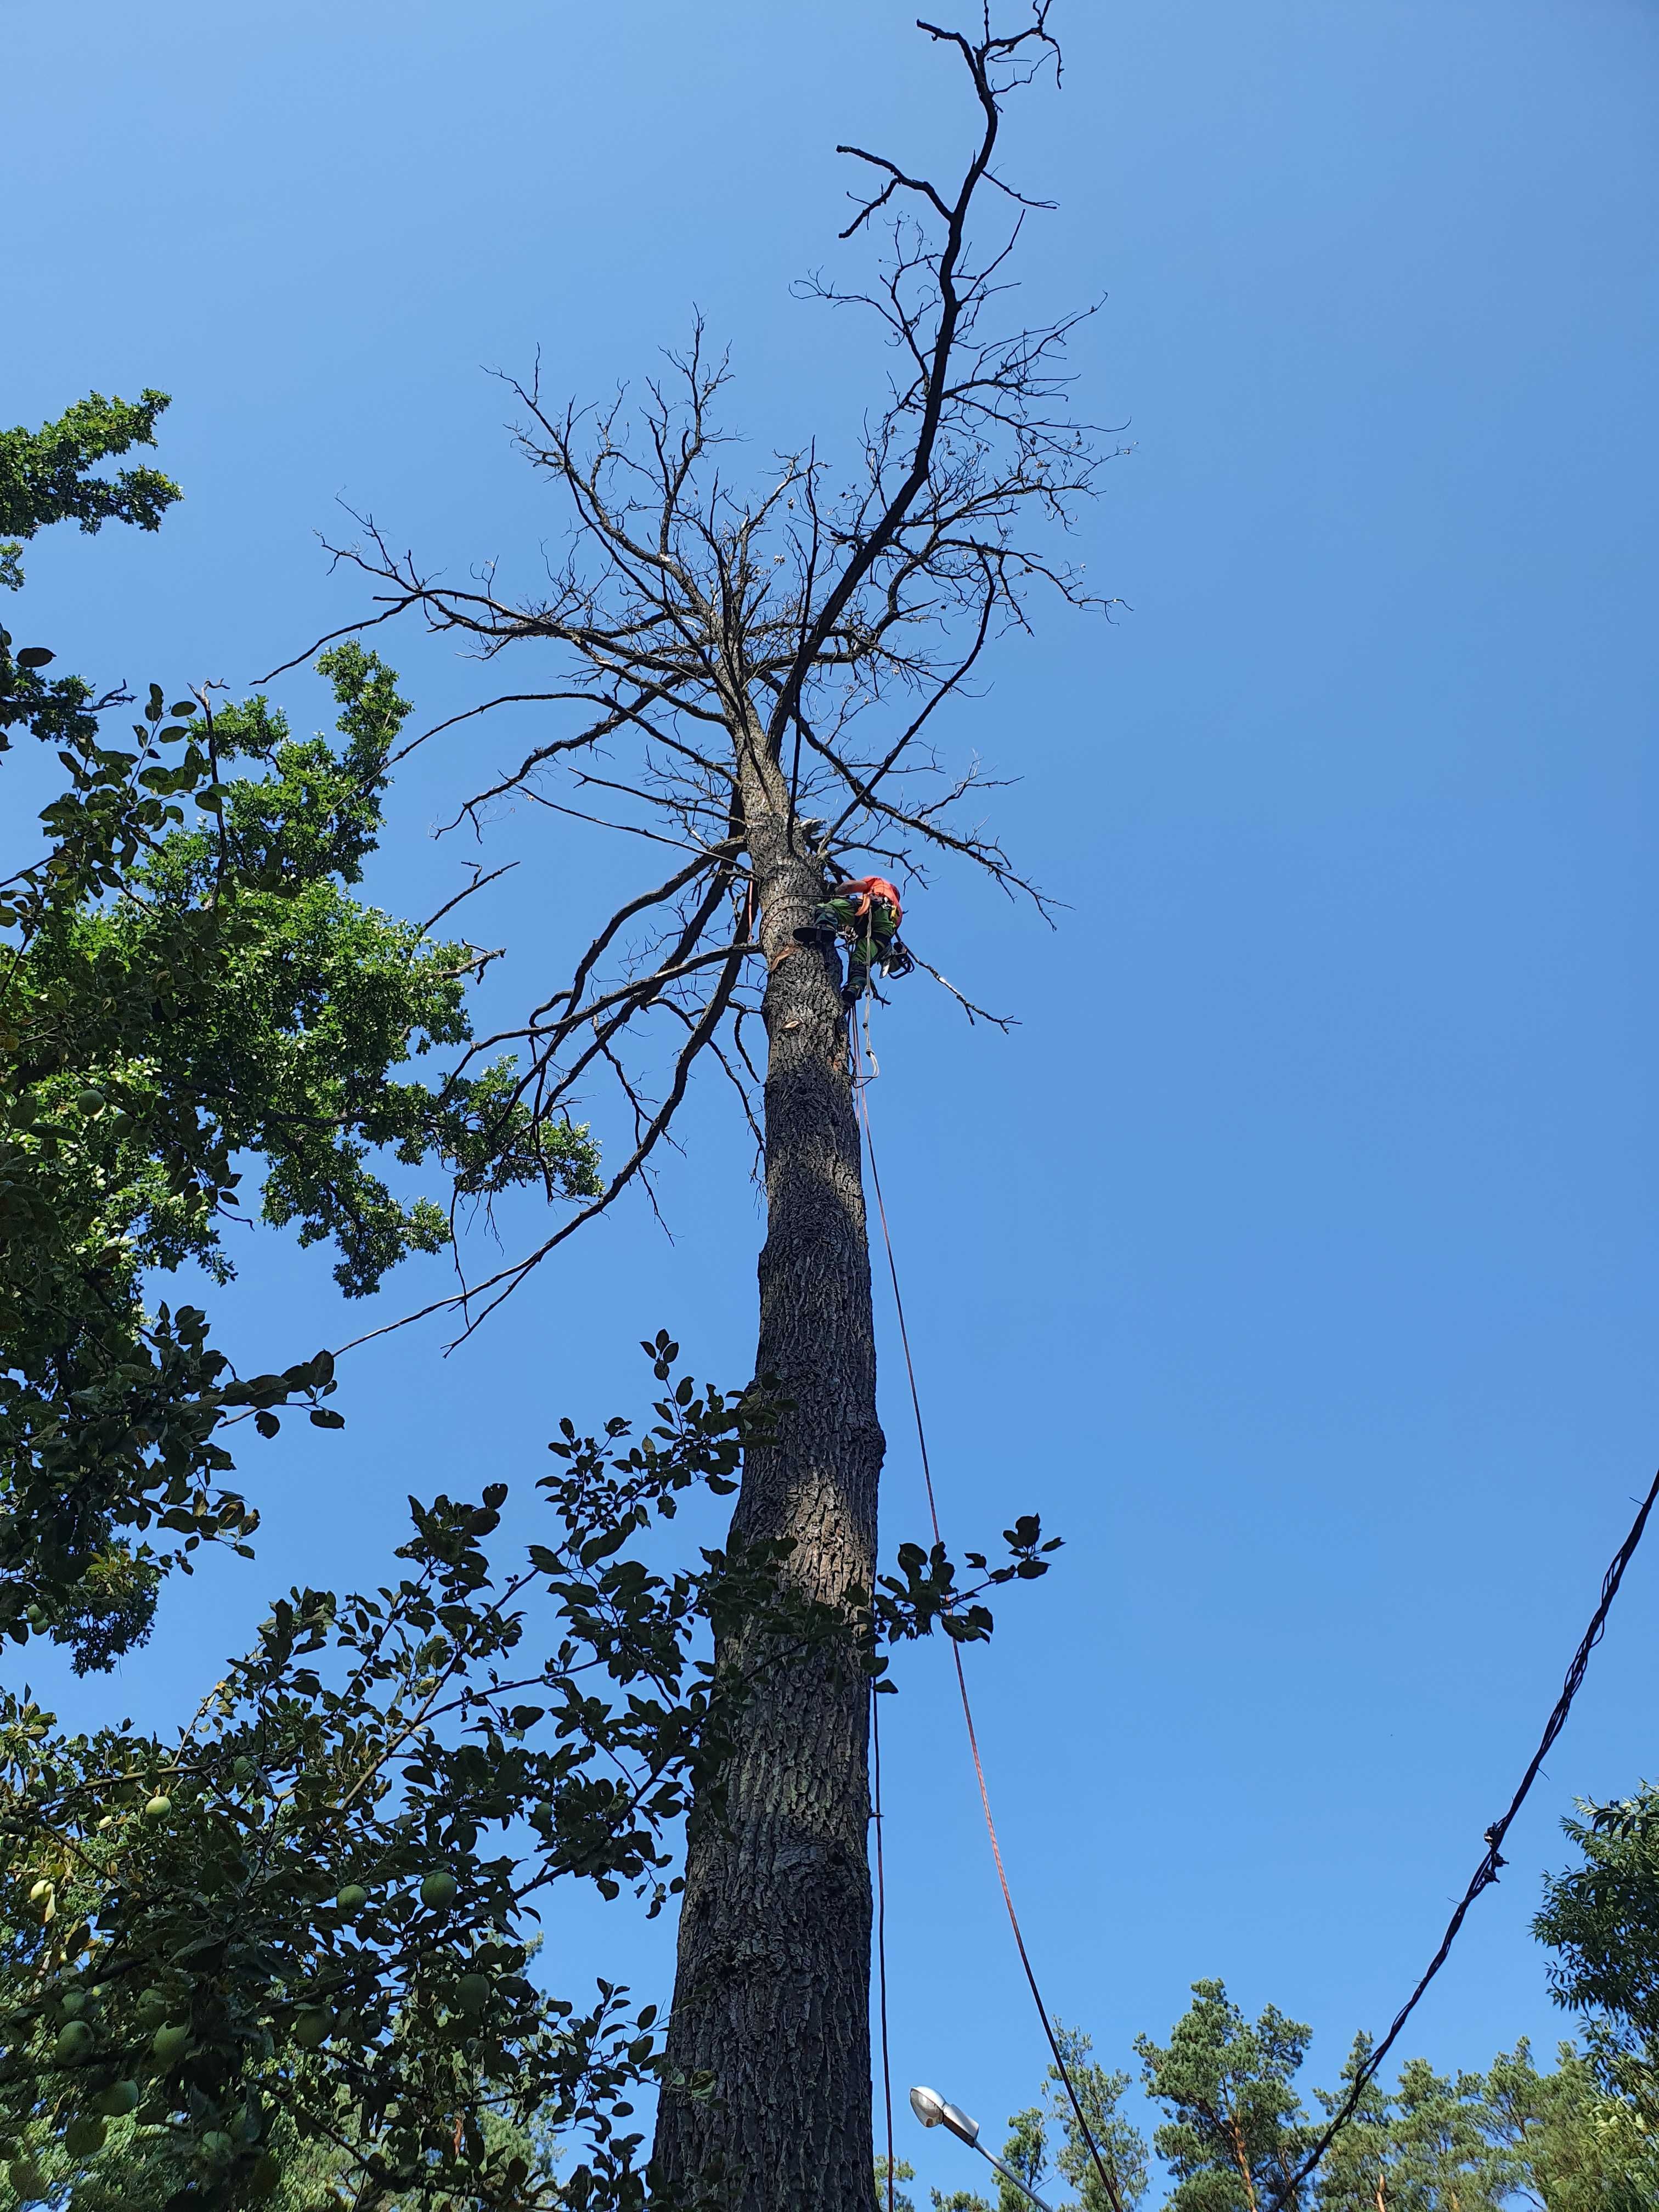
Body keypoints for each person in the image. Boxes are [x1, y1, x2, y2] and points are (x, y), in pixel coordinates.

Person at [795, 875, 912, 1008]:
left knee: (830, 908)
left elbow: (849, 886)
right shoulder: (898, 913)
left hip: (873, 907)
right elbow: (876, 929)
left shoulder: (880, 883)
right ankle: (853, 990)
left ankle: (825, 927)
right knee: (861, 961)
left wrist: (836, 892)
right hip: (883, 935)